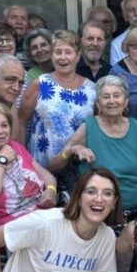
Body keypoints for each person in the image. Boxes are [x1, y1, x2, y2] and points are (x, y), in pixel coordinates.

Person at [48, 75, 137, 217]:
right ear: (98, 104)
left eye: (117, 95)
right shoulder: (89, 126)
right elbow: (52, 167)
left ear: (126, 101)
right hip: (98, 211)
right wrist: (72, 150)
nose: (111, 101)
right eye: (106, 96)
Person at [0, 101, 58, 229]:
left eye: (4, 125)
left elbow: (46, 175)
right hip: (12, 228)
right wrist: (1, 160)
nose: (0, 131)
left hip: (42, 217)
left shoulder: (15, 146)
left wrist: (51, 191)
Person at [20, 30, 98, 169]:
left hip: (81, 167)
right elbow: (21, 123)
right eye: (58, 52)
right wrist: (22, 160)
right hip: (43, 168)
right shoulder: (40, 84)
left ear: (78, 56)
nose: (62, 57)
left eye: (68, 52)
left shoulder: (92, 89)